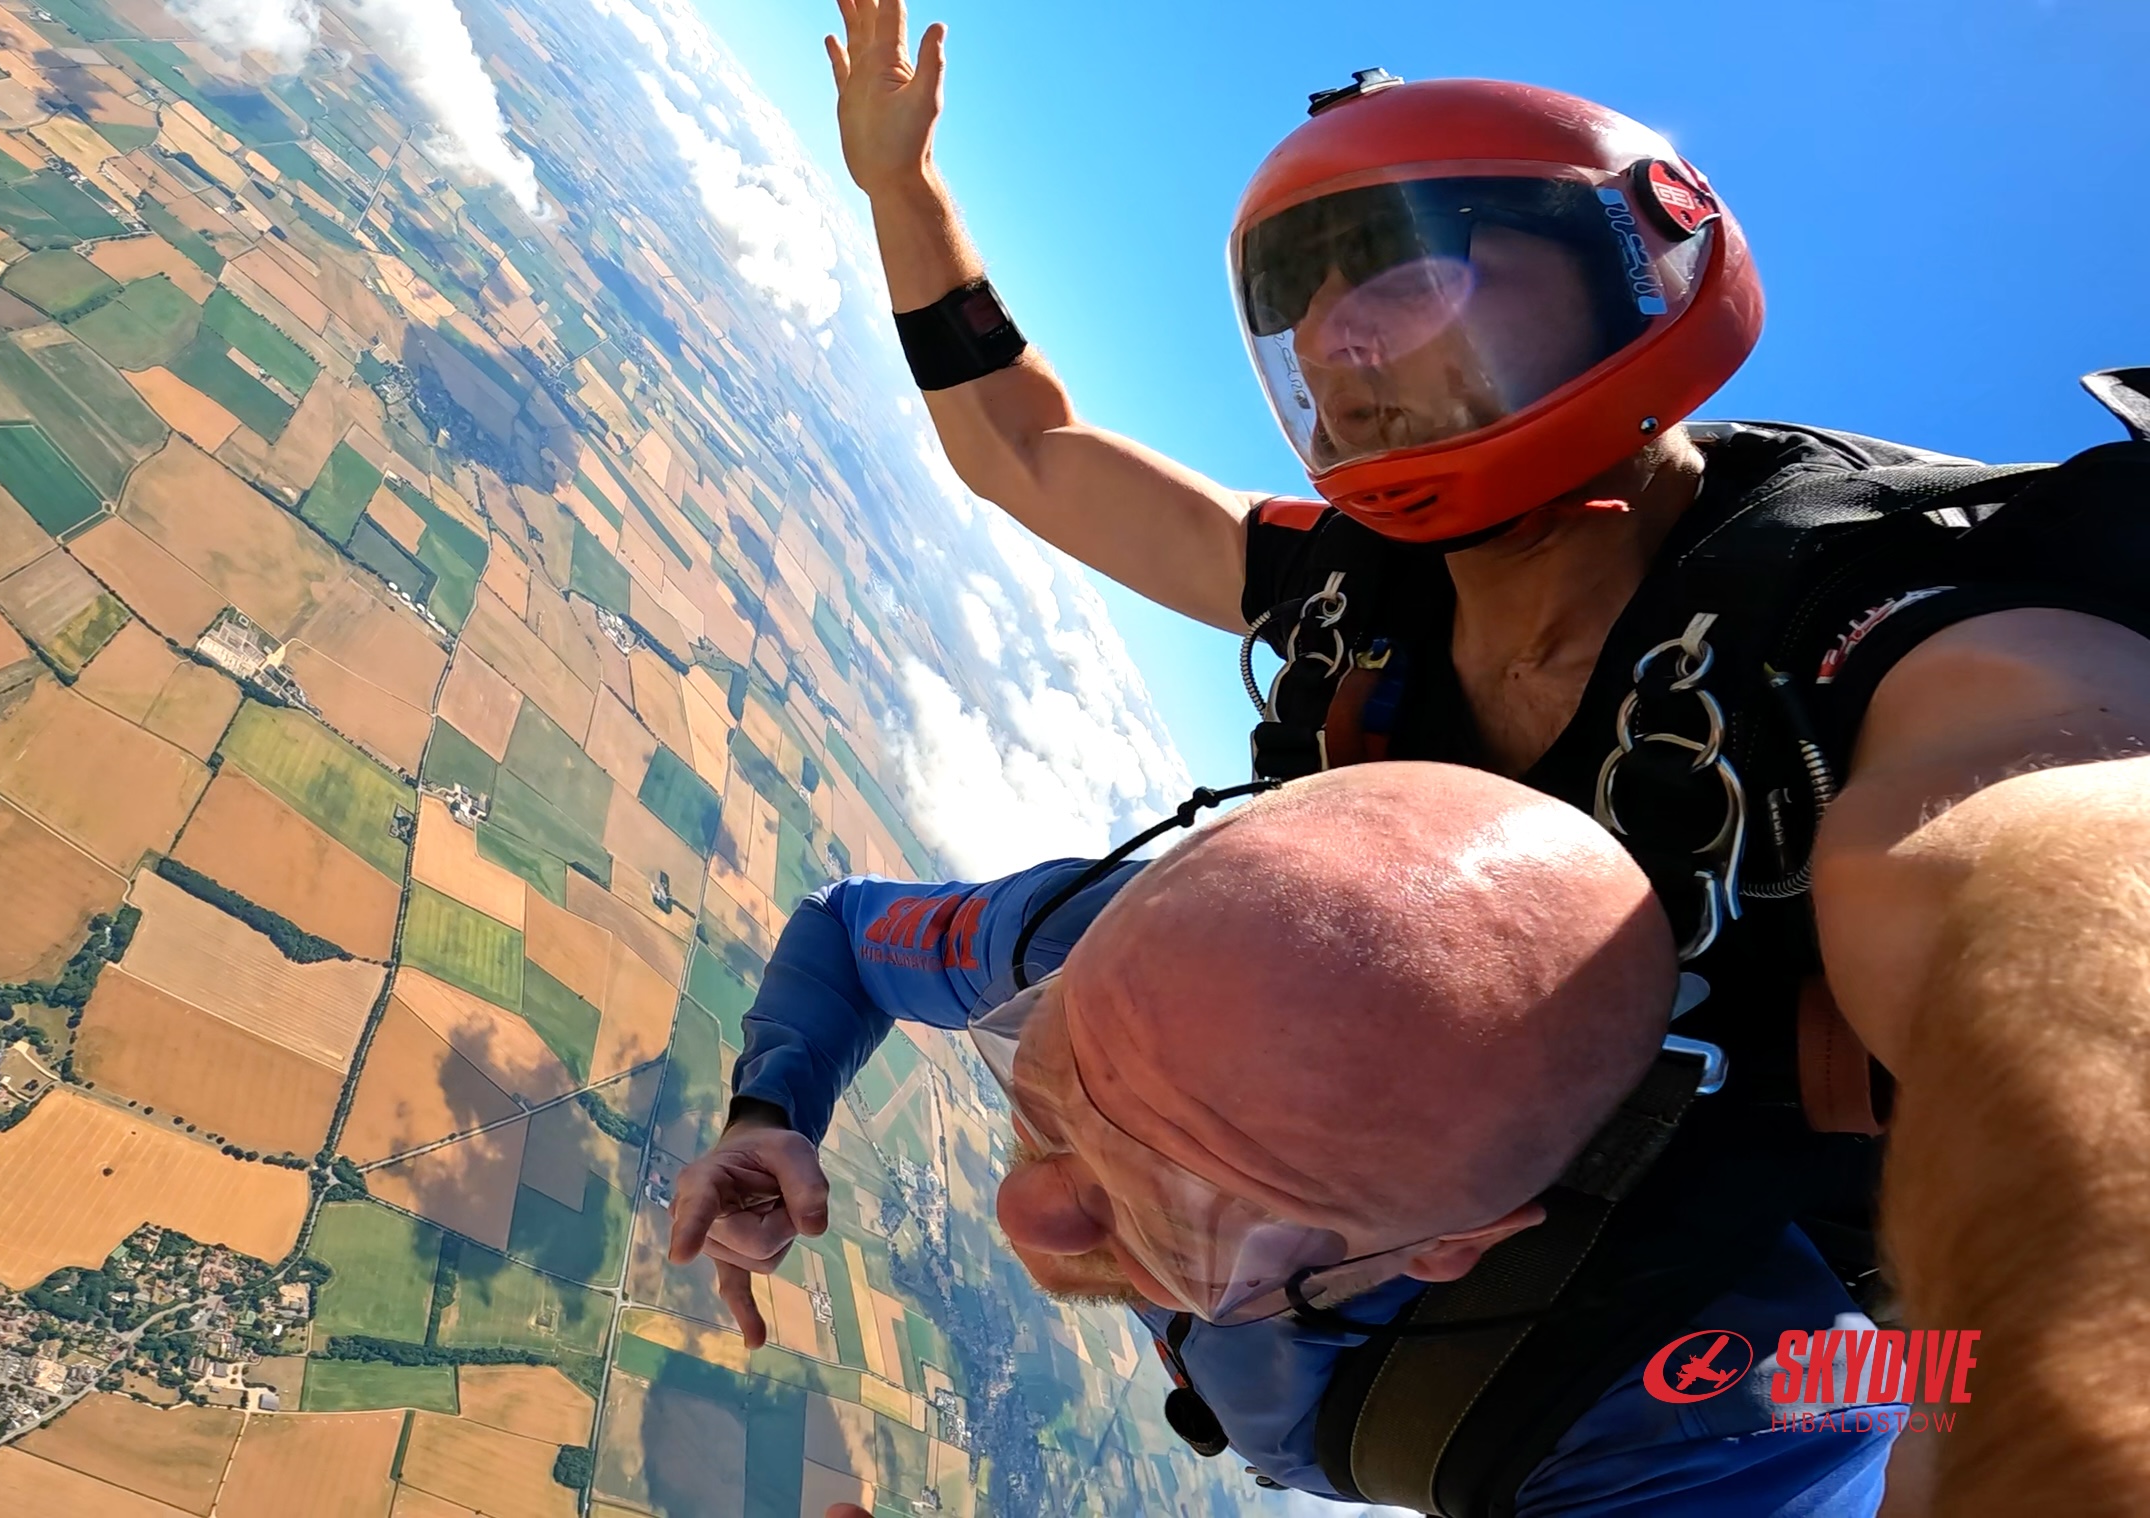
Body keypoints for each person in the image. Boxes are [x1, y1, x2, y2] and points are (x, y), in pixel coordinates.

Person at [766, 3, 2150, 1513]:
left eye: (1405, 265)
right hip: (1354, 1293)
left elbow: (2053, 850)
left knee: (1925, 1403)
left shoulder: (1864, 624)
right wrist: (900, 189)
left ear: (1633, 280)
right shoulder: (1359, 592)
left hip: (1681, 1347)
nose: (1331, 335)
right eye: (1296, 291)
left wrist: (2092, 1325)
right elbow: (1027, 451)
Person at [673, 764, 1910, 1514]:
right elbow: (847, 935)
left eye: (1183, 1216)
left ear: (1450, 1246)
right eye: (1041, 1077)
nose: (1025, 1212)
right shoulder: (1119, 961)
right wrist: (771, 1111)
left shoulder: (1731, 1418)